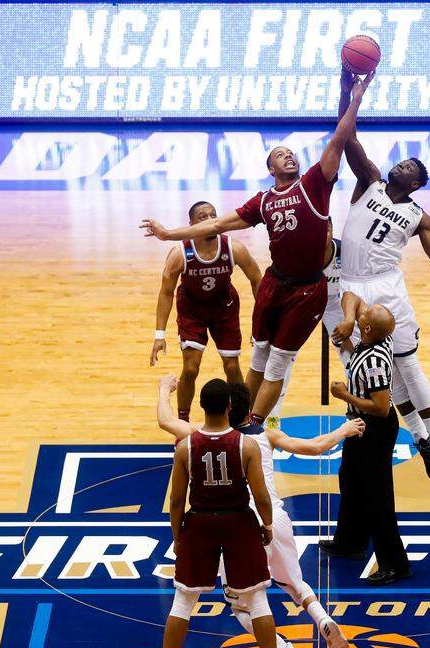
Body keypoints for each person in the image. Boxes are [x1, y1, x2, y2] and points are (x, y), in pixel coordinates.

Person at [141, 72, 376, 426]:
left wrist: (354, 97)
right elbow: (216, 225)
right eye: (281, 155)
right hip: (274, 283)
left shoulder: (314, 184)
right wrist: (168, 234)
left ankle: (252, 427)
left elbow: (340, 137)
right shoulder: (263, 201)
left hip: (307, 289)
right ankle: (237, 421)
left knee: (277, 363)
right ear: (270, 168)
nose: (289, 157)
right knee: (258, 358)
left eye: (292, 154)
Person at [331, 69, 430, 483]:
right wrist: (348, 92)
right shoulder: (370, 182)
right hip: (350, 285)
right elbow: (346, 137)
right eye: (400, 161)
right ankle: (420, 439)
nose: (399, 164)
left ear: (415, 183)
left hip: (386, 287)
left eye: (408, 166)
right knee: (381, 371)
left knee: (408, 365)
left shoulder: (419, 216)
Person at [156, 375, 361, 648]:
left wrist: (164, 388)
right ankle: (322, 618)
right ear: (245, 408)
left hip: (243, 524)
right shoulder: (268, 435)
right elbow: (315, 447)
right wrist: (344, 429)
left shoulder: (202, 436)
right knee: (294, 583)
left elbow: (165, 420)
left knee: (242, 605)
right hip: (275, 517)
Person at [144, 379, 296, 648]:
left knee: (183, 601)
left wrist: (177, 536)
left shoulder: (186, 446)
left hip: (200, 523)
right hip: (239, 522)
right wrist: (267, 525)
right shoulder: (247, 445)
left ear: (201, 406)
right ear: (230, 406)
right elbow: (262, 496)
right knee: (257, 601)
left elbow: (175, 500)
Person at [321, 292, 411, 585]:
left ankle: (395, 564)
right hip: (360, 424)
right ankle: (351, 542)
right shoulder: (381, 337)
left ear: (368, 329)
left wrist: (344, 395)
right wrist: (349, 321)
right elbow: (353, 296)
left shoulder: (373, 362)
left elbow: (382, 408)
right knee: (350, 478)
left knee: (377, 496)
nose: (360, 315)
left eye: (363, 318)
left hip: (375, 427)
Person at [150, 201, 263, 421]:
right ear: (191, 224)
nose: (210, 220)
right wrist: (159, 335)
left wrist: (261, 323)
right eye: (203, 217)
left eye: (213, 215)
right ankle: (183, 422)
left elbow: (257, 279)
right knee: (191, 368)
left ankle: (240, 419)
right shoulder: (180, 253)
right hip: (192, 311)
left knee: (232, 366)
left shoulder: (233, 248)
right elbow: (166, 293)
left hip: (225, 309)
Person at [269, 217, 350, 426]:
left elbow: (356, 288)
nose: (322, 234)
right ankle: (271, 420)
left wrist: (350, 319)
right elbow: (277, 290)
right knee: (282, 358)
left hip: (334, 303)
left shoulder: (346, 253)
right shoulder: (295, 253)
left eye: (326, 228)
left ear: (332, 228)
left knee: (352, 351)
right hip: (303, 303)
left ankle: (359, 409)